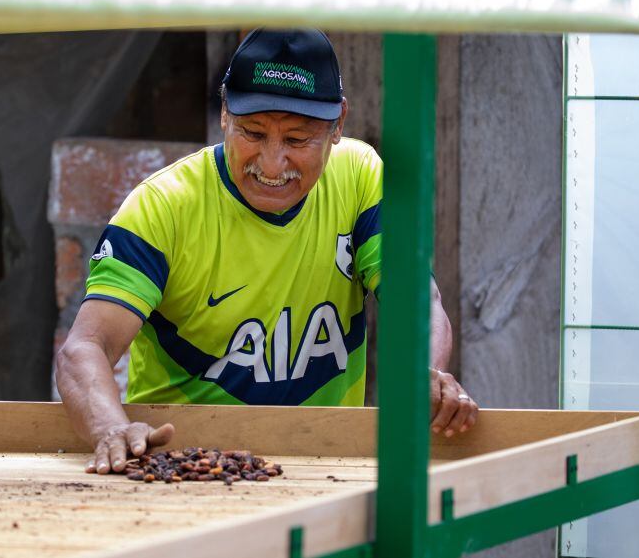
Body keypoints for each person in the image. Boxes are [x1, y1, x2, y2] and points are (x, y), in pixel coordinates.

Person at [56, 28, 478, 474]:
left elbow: (416, 301)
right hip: (183, 468)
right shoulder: (161, 207)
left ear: (338, 124)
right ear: (224, 113)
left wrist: (424, 374)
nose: (272, 163)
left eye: (297, 140)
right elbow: (85, 347)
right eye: (253, 133)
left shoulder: (361, 179)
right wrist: (110, 428)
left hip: (325, 464)